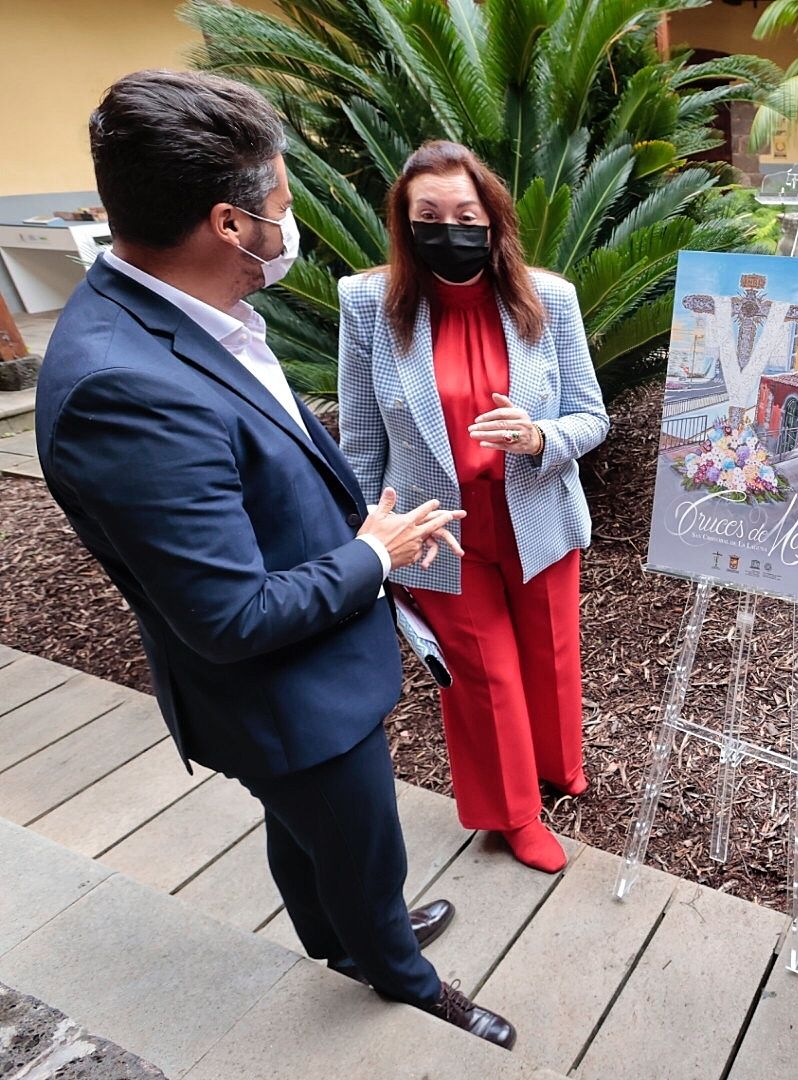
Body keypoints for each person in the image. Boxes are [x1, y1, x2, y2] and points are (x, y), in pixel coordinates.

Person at [35, 71, 515, 1048]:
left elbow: (245, 459)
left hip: (306, 677)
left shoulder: (181, 312)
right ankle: (399, 973)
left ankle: (337, 940)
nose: (289, 223)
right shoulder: (121, 389)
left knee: (313, 833)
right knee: (359, 840)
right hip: (281, 693)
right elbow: (229, 616)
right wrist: (373, 555)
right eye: (283, 204)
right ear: (228, 222)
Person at [337, 141, 608, 874]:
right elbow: (360, 432)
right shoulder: (368, 304)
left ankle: (557, 768)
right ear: (405, 221)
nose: (448, 229)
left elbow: (592, 416)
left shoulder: (546, 298)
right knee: (482, 678)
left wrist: (538, 435)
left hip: (536, 515)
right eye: (429, 215)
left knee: (550, 656)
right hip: (437, 537)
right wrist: (372, 530)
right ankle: (513, 815)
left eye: (465, 214)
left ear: (493, 219)